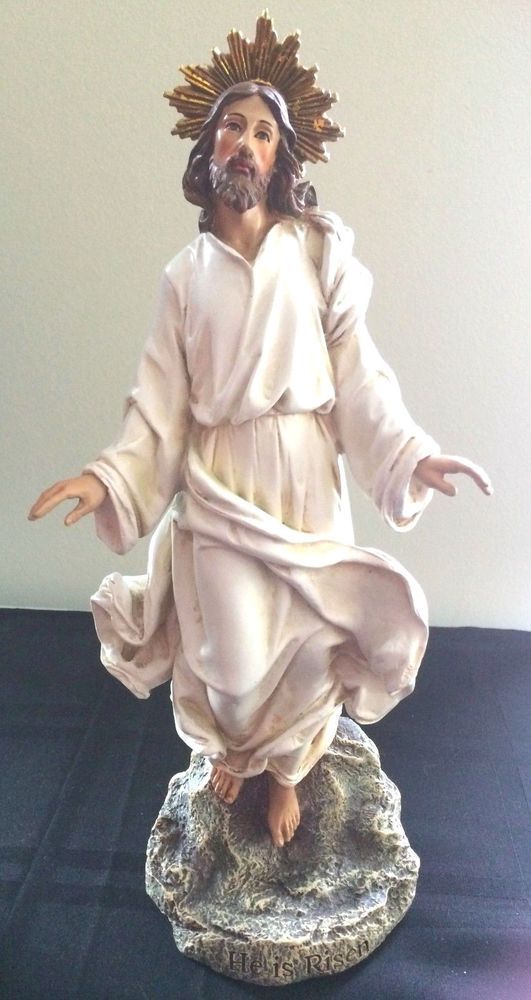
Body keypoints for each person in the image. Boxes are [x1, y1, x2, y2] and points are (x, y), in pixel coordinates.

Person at [29, 17, 491, 849]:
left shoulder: (316, 252)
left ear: (281, 159)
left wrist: (408, 454)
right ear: (208, 147)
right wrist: (109, 477)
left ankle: (285, 770)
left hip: (301, 467)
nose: (246, 144)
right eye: (233, 127)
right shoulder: (184, 276)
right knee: (232, 661)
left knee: (308, 640)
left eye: (263, 133)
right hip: (219, 476)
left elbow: (358, 371)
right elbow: (160, 402)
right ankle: (238, 746)